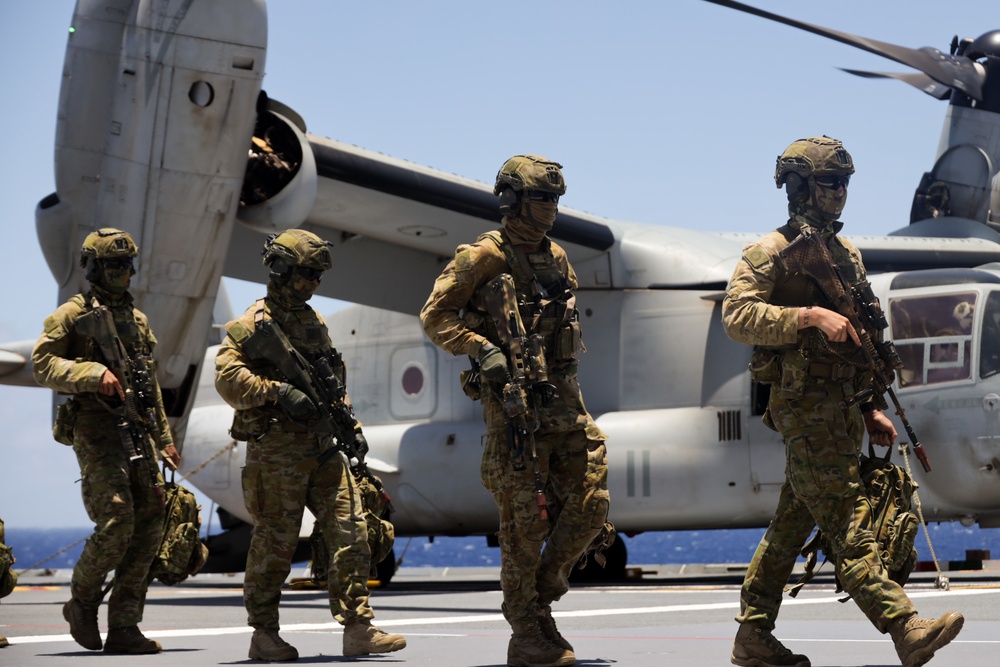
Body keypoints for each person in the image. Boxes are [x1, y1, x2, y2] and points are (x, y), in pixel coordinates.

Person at [722, 136, 963, 667]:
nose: (841, 192)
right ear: (803, 186)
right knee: (846, 519)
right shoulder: (771, 253)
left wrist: (869, 407)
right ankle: (904, 625)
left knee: (791, 523)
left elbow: (857, 343)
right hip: (803, 410)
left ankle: (753, 636)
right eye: (832, 182)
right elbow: (736, 316)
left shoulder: (844, 254)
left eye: (846, 182)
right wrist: (807, 317)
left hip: (839, 410)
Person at [420, 154, 610, 667]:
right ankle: (526, 632)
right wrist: (482, 348)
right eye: (540, 198)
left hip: (566, 406)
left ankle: (540, 597)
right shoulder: (484, 257)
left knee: (593, 505)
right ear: (513, 200)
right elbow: (435, 317)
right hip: (514, 411)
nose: (550, 208)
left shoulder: (559, 258)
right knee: (524, 526)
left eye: (554, 198)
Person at [214, 228, 406, 662]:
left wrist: (349, 421)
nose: (315, 283)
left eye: (319, 275)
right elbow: (227, 378)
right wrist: (276, 392)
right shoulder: (252, 325)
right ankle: (264, 634)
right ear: (281, 269)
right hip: (277, 452)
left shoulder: (312, 321)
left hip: (322, 446)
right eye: (307, 273)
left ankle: (358, 627)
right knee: (276, 543)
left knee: (351, 529)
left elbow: (331, 380)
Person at [31, 227, 180, 654]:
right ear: (95, 267)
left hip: (136, 428)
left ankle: (124, 626)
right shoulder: (72, 314)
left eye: (127, 264)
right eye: (114, 264)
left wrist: (164, 439)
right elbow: (43, 364)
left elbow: (148, 384)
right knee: (116, 519)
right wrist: (91, 374)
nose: (122, 272)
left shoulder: (137, 320)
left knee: (151, 523)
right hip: (95, 427)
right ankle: (82, 601)